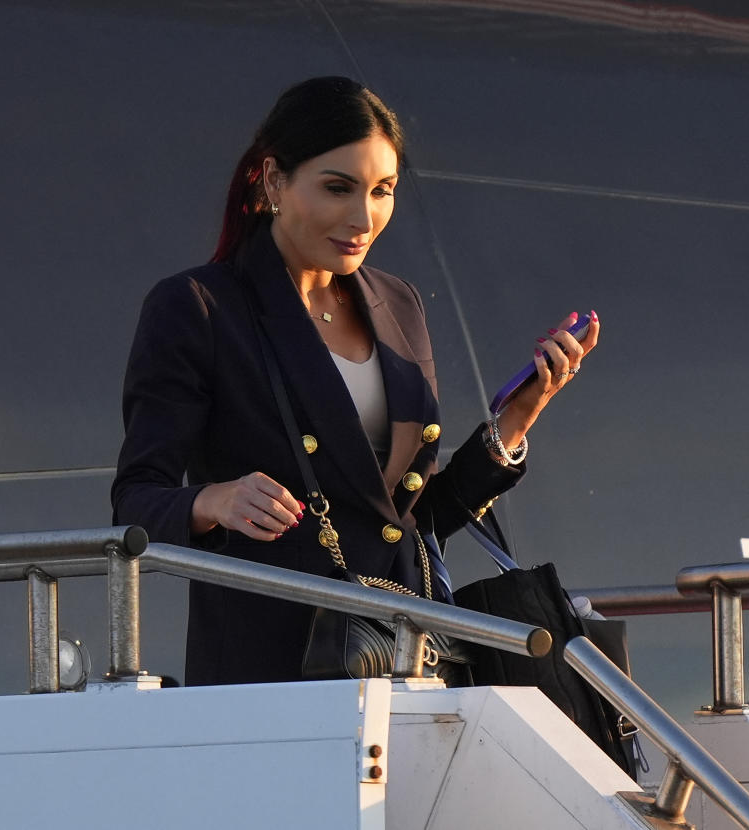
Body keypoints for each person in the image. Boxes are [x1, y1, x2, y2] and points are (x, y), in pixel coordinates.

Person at [111, 76, 600, 686]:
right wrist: (213, 501)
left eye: (382, 190)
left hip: (403, 660)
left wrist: (516, 421)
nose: (363, 217)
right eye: (338, 188)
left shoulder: (398, 302)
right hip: (274, 668)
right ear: (273, 181)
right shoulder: (199, 307)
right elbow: (134, 501)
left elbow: (401, 522)